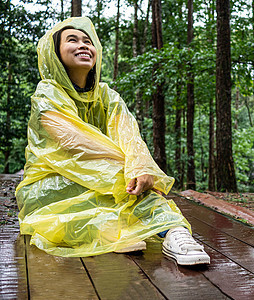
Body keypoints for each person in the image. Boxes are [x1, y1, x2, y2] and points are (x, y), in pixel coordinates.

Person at [15, 17, 210, 266]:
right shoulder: (47, 93)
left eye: (88, 41)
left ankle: (174, 232)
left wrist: (141, 167)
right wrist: (129, 169)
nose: (83, 45)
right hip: (53, 183)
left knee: (135, 179)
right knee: (126, 182)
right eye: (72, 40)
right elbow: (73, 142)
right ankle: (122, 230)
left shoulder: (108, 96)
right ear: (54, 53)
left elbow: (130, 136)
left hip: (106, 178)